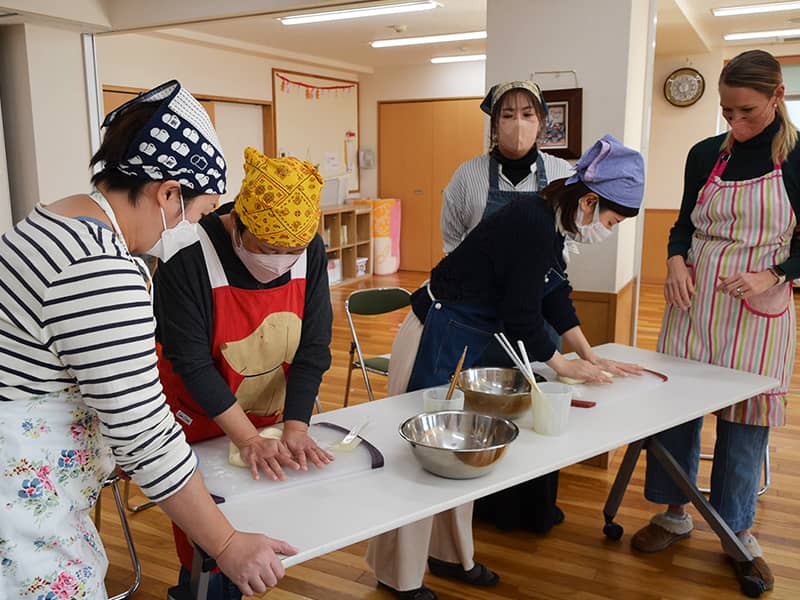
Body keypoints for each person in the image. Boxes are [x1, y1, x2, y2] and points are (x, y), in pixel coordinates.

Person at [0, 80, 294, 600]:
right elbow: (144, 434)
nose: (191, 225)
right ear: (167, 192)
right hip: (19, 509)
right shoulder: (100, 269)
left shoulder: (49, 221)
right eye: (197, 212)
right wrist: (226, 543)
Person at [368, 134, 646, 600]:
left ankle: (451, 555)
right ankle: (398, 575)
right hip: (437, 336)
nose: (607, 231)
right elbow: (522, 315)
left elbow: (553, 291)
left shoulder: (553, 223)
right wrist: (562, 363)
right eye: (612, 222)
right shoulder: (532, 221)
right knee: (419, 459)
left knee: (460, 455)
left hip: (469, 340)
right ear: (591, 201)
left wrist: (587, 353)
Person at [632, 50, 800, 590]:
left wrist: (774, 272)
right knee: (678, 410)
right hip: (695, 301)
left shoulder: (797, 160)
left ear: (777, 98)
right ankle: (673, 514)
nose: (736, 123)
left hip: (758, 309)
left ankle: (736, 531)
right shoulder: (705, 154)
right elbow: (682, 225)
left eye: (747, 111)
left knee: (744, 422)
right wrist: (675, 259)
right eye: (727, 112)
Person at [153, 147, 334, 598]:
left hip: (267, 411)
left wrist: (295, 425)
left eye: (292, 252)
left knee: (257, 528)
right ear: (240, 223)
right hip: (197, 420)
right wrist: (247, 439)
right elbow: (191, 363)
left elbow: (313, 348)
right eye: (270, 250)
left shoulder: (308, 247)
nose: (281, 261)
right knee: (211, 543)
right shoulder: (187, 254)